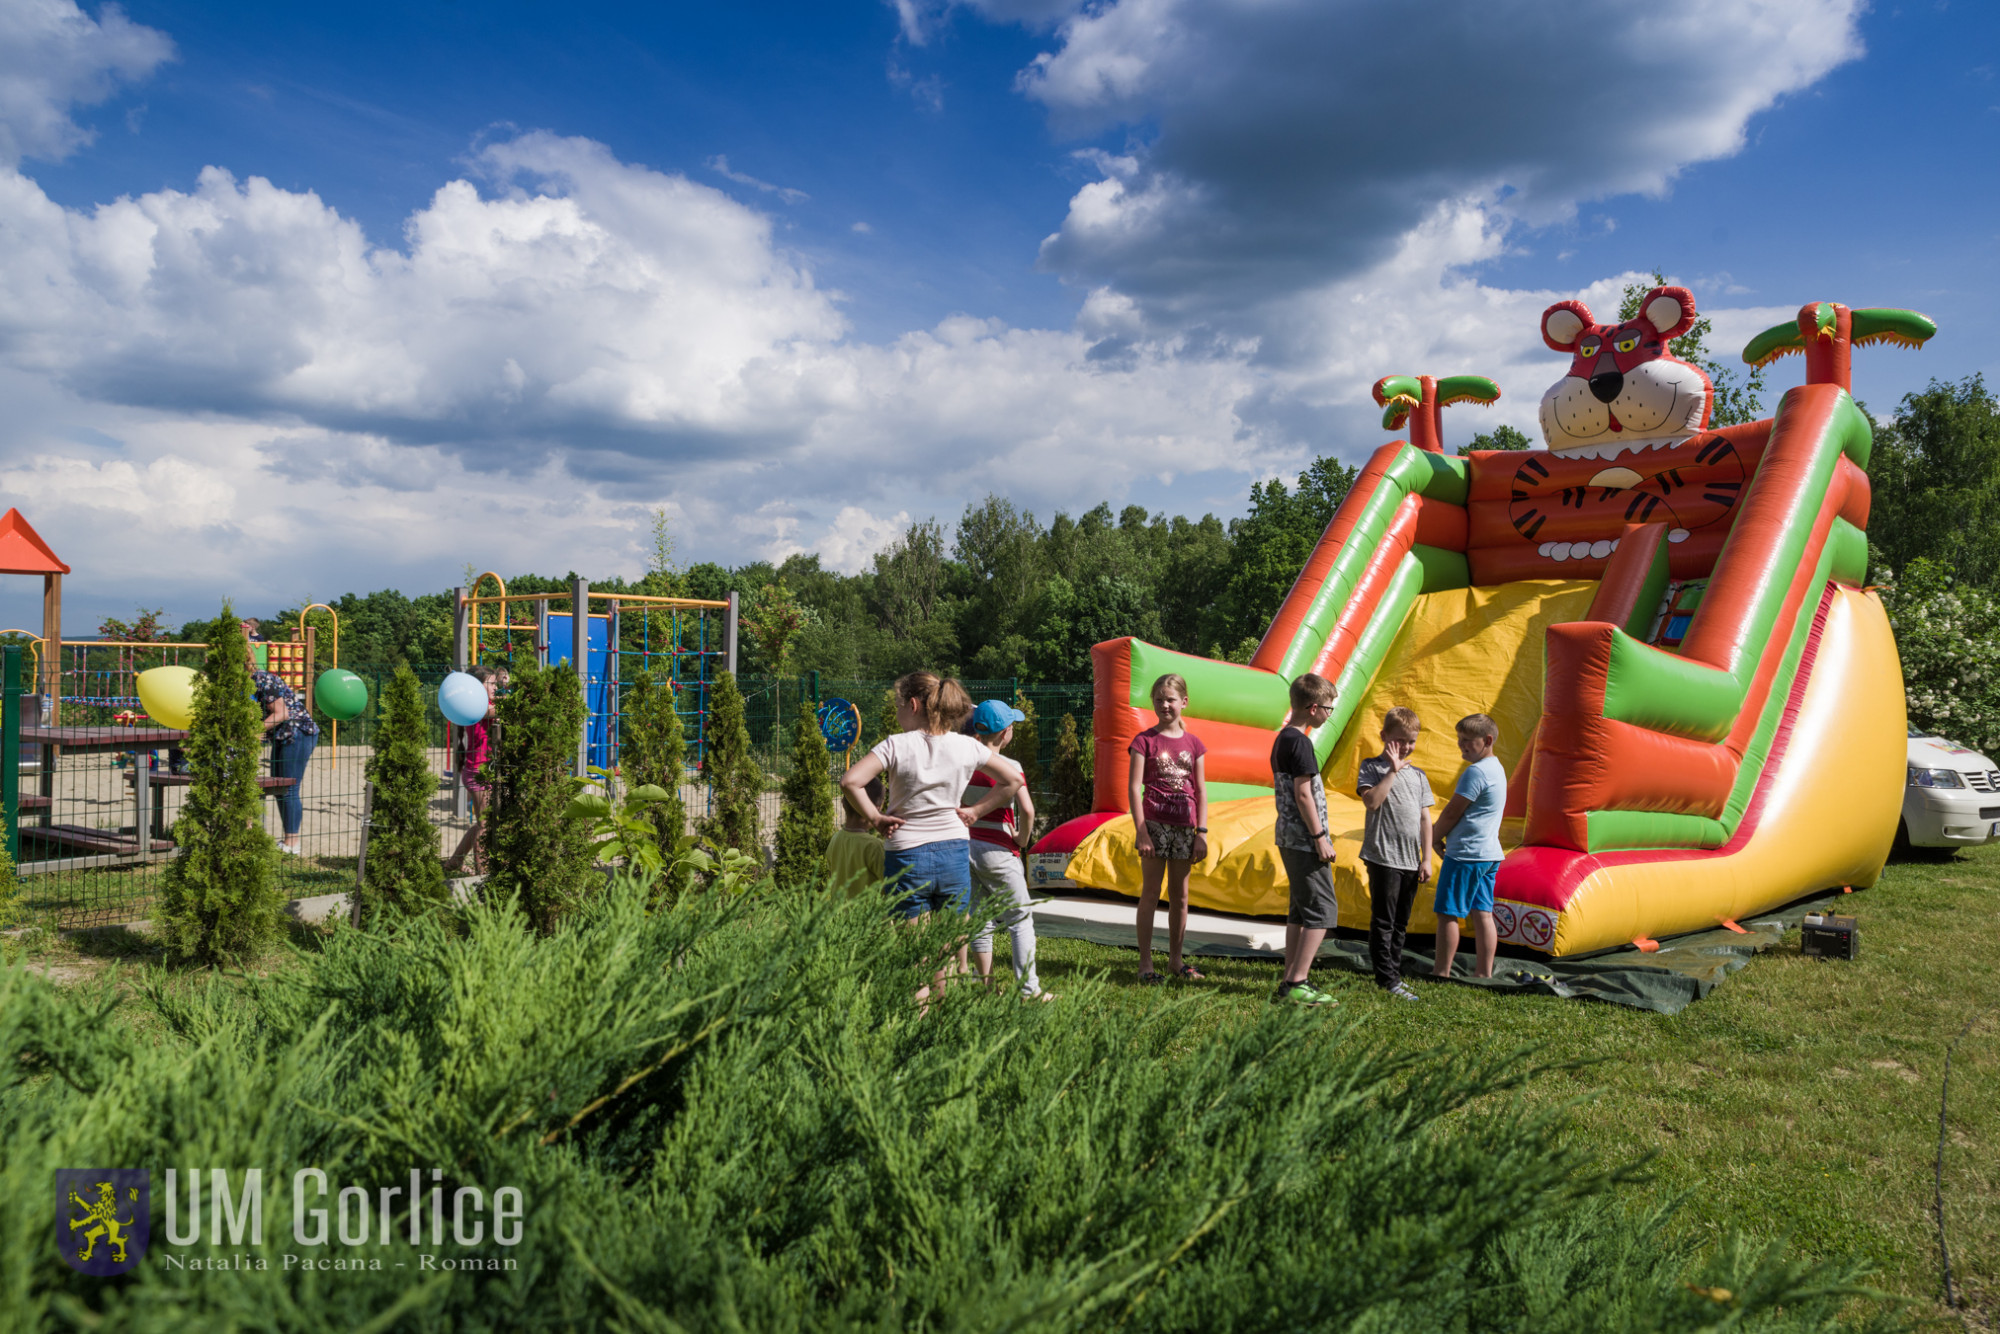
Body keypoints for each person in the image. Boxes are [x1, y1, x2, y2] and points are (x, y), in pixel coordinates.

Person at [840, 672, 1024, 995]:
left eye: (898, 704)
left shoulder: (895, 744)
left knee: (916, 957)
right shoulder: (966, 745)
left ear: (912, 705)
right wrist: (976, 811)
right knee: (943, 954)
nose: (897, 712)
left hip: (907, 856)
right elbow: (1013, 780)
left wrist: (875, 817)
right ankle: (941, 1027)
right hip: (954, 855)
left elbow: (850, 781)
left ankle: (917, 1025)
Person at [962, 700, 1052, 1001]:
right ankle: (1028, 990)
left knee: (979, 917)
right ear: (1006, 734)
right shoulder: (1011, 767)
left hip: (966, 847)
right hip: (998, 851)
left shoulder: (963, 762)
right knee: (1020, 919)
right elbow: (1027, 809)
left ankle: (983, 984)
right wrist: (1023, 839)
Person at [1127, 673, 1209, 983]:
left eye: (1171, 699)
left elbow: (1200, 790)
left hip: (1185, 828)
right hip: (1155, 825)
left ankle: (1176, 961)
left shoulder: (1194, 744)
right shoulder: (1143, 741)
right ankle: (1146, 964)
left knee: (1181, 896)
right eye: (1159, 699)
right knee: (1150, 893)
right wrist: (1141, 830)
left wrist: (1201, 833)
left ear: (1183, 702)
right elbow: (1134, 788)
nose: (1165, 704)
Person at [1356, 706, 1434, 1001]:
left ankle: (1394, 973)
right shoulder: (1372, 767)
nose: (1406, 746)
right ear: (1384, 736)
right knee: (1384, 921)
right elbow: (1372, 803)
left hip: (1410, 859)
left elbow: (1426, 819)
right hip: (1383, 857)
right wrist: (1391, 771)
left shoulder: (1419, 776)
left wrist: (1425, 858)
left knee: (1401, 922)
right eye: (1400, 740)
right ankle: (1386, 979)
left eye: (1411, 741)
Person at [1271, 673, 1340, 1006]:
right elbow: (1303, 793)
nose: (1330, 713)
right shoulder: (1300, 742)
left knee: (1299, 912)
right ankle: (1299, 981)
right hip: (1303, 840)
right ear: (1313, 708)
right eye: (1328, 708)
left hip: (1289, 837)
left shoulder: (1283, 738)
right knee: (1322, 911)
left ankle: (1289, 980)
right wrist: (1320, 837)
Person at [1431, 713, 1505, 980]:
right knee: (1482, 914)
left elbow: (1452, 812)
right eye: (1459, 739)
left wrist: (1432, 836)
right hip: (1489, 854)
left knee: (1447, 913)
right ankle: (1483, 973)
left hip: (1466, 855)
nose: (1461, 745)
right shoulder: (1497, 767)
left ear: (1487, 740)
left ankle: (1441, 972)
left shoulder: (1476, 772)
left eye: (1467, 740)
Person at [249, 643, 320, 856]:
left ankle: (292, 843)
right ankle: (287, 842)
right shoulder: (240, 684)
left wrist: (254, 731)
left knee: (289, 788)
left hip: (297, 732)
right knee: (278, 787)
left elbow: (281, 714)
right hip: (280, 735)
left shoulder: (262, 679)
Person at [442, 665, 498, 877]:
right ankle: (482, 872)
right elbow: (493, 710)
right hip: (478, 773)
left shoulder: (480, 704)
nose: (495, 687)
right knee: (485, 825)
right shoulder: (476, 708)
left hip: (482, 771)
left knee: (481, 823)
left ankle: (454, 862)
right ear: (476, 687)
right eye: (490, 684)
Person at [825, 775, 887, 896]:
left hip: (840, 914)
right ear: (876, 809)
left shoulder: (835, 839)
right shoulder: (874, 847)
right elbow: (892, 887)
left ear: (843, 803)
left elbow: (832, 878)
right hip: (868, 914)